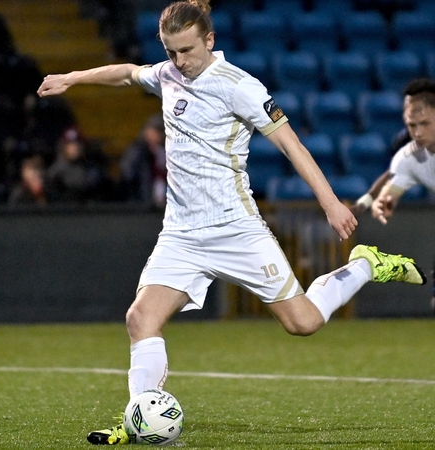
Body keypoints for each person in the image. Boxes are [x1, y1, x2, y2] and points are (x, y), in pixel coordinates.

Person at [36, 0, 427, 445]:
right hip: (181, 234)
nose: (179, 62)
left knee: (303, 322)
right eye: (171, 52)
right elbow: (127, 72)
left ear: (210, 40)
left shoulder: (240, 87)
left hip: (235, 229)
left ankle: (365, 265)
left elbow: (292, 145)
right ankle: (140, 421)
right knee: (140, 319)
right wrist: (72, 77)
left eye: (187, 51)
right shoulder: (168, 74)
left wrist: (330, 202)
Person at [366, 78, 435, 311]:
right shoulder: (409, 157)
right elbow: (391, 191)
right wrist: (382, 203)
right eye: (412, 125)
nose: (417, 132)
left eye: (424, 124)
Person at [46, 127, 106, 204]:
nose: (75, 148)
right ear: (64, 147)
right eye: (71, 144)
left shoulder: (92, 168)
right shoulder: (55, 171)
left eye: (78, 144)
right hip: (66, 212)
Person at [118, 113, 167, 207]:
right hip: (141, 200)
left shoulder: (164, 150)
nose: (158, 135)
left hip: (162, 198)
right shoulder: (137, 149)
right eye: (155, 131)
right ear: (147, 131)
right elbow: (127, 172)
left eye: (161, 131)